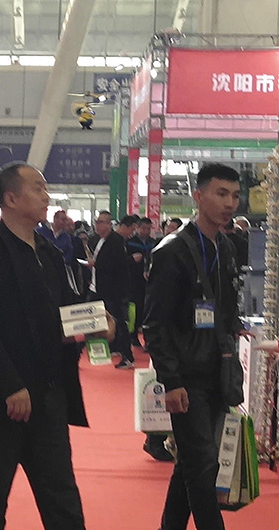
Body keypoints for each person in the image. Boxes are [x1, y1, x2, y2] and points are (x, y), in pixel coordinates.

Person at [0, 164, 100, 530]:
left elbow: (65, 312)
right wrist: (10, 385)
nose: (46, 197)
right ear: (11, 198)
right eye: (38, 188)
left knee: (64, 503)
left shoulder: (48, 251)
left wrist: (99, 321)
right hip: (0, 401)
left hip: (48, 397)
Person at [144, 163, 246, 530]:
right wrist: (171, 380)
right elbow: (154, 324)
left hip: (219, 370)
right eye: (221, 194)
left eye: (235, 196)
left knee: (193, 461)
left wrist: (234, 330)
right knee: (203, 465)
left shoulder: (227, 247)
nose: (229, 203)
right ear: (198, 196)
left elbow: (226, 306)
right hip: (187, 376)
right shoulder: (172, 251)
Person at [85, 211, 135, 369]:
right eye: (96, 222)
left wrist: (96, 264)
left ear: (108, 224)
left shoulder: (115, 241)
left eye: (100, 222)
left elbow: (118, 265)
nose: (97, 225)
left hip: (113, 290)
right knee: (93, 317)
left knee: (118, 321)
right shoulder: (99, 240)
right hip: (97, 287)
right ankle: (110, 347)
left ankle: (127, 355)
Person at [127, 217, 156, 349]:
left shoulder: (153, 243)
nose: (146, 231)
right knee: (135, 309)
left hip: (149, 281)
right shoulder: (130, 243)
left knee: (148, 310)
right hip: (134, 281)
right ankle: (133, 336)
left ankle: (147, 339)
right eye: (143, 228)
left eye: (148, 228)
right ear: (137, 228)